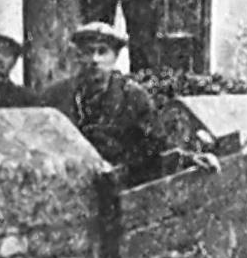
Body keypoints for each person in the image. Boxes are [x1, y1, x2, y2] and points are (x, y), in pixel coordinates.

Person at [43, 22, 214, 186]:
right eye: (88, 52)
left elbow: (157, 146)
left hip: (119, 190)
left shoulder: (133, 96)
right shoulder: (56, 96)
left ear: (115, 57)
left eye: (102, 52)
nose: (95, 59)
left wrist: (189, 159)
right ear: (79, 56)